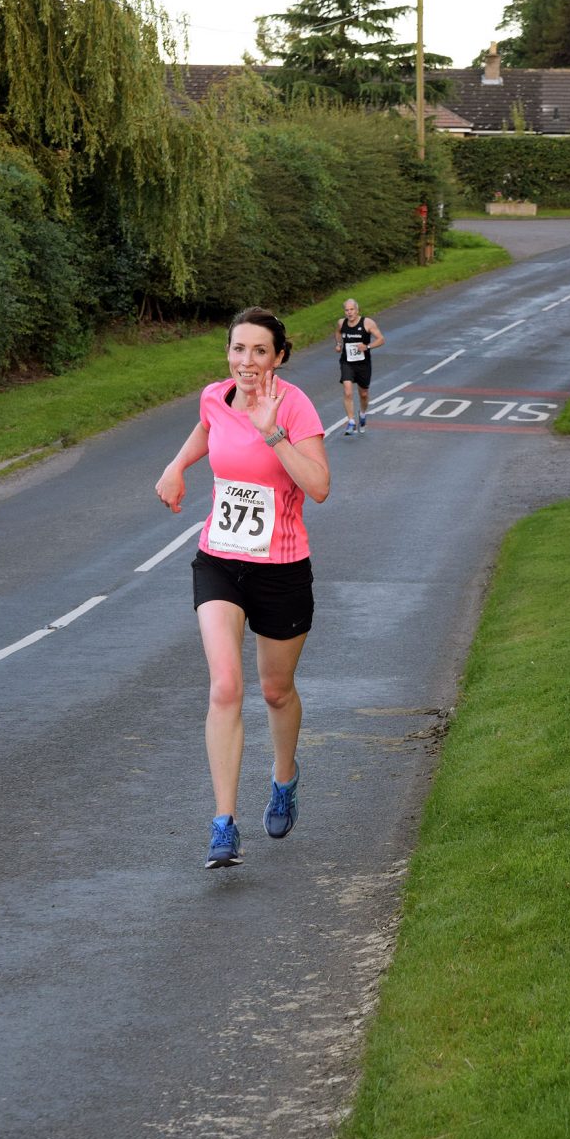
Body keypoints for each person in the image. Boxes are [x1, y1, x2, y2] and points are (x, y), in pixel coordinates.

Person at [155, 307, 330, 869]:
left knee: (275, 690)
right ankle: (224, 824)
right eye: (238, 350)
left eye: (259, 351)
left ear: (279, 356)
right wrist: (177, 465)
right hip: (220, 562)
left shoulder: (295, 406)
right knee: (225, 686)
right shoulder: (216, 395)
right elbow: (207, 427)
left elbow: (320, 487)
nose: (246, 362)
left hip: (282, 568)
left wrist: (273, 434)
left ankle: (284, 778)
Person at [334, 298, 386, 436]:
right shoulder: (341, 323)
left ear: (357, 310)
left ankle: (362, 414)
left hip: (363, 363)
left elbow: (381, 339)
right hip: (347, 362)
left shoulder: (367, 323)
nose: (349, 313)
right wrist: (339, 344)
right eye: (347, 310)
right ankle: (351, 421)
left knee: (363, 394)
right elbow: (338, 332)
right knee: (348, 391)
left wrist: (367, 346)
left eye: (352, 310)